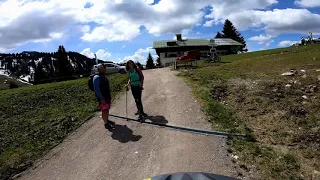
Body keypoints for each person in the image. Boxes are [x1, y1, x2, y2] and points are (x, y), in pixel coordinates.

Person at [93, 64, 115, 129]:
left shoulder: (103, 76)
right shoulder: (96, 77)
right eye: (102, 68)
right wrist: (101, 98)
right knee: (104, 110)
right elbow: (96, 89)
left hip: (107, 96)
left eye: (104, 68)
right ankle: (106, 124)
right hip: (102, 98)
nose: (104, 69)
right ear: (99, 69)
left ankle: (107, 120)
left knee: (107, 109)